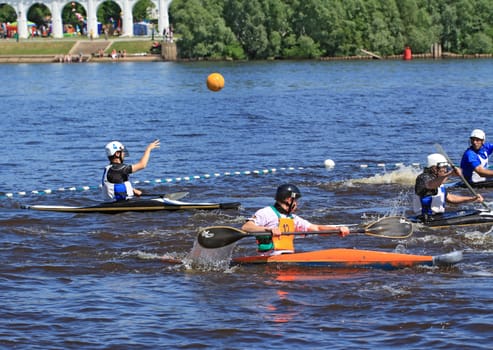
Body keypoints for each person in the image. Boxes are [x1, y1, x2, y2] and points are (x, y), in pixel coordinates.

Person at [241, 184, 350, 255]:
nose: (297, 205)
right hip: (268, 259)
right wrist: (268, 230)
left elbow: (316, 228)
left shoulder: (293, 218)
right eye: (296, 201)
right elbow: (246, 227)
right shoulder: (266, 212)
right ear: (289, 200)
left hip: (287, 257)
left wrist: (337, 229)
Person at [414, 153, 483, 221]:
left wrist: (472, 199)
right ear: (434, 168)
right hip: (424, 218)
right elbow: (430, 185)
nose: (445, 170)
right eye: (443, 167)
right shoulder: (423, 178)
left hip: (438, 216)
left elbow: (451, 198)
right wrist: (450, 174)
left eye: (446, 167)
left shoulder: (439, 180)